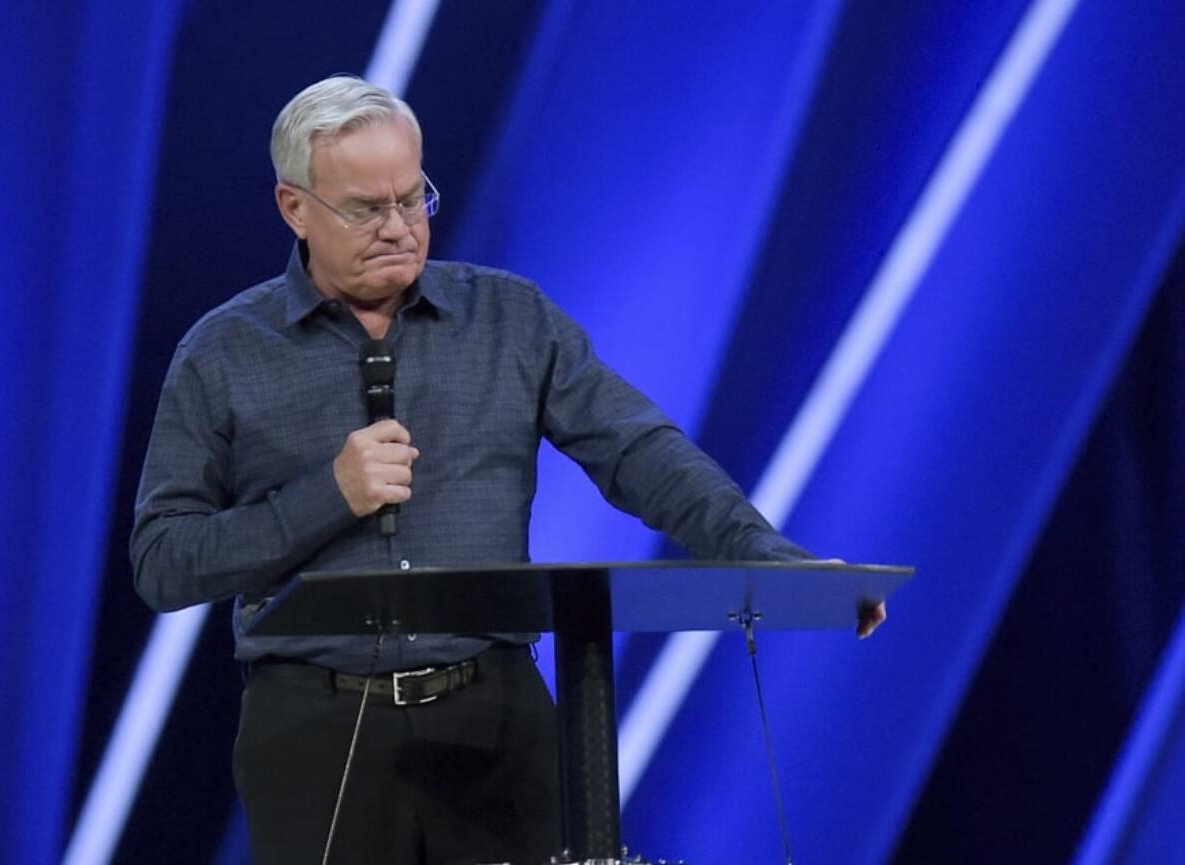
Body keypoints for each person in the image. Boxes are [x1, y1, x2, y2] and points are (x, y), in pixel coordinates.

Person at [131, 74, 885, 865]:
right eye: (364, 208)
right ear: (295, 208)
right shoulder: (222, 353)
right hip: (315, 729)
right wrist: (327, 496)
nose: (399, 227)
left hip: (494, 717)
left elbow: (640, 452)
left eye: (412, 197)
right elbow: (163, 562)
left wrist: (775, 563)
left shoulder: (510, 318)